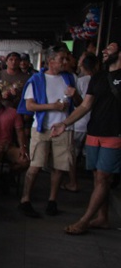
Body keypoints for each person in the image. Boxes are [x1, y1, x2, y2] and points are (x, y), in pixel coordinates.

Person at [52, 42, 121, 234]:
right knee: (99, 178)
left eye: (111, 48)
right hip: (94, 132)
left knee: (103, 177)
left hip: (115, 134)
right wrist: (64, 123)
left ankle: (84, 220)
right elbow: (85, 106)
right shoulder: (98, 77)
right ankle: (102, 217)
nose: (105, 51)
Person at [17, 47, 81, 217]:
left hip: (64, 128)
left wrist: (75, 96)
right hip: (41, 128)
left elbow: (81, 103)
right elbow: (29, 106)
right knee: (35, 165)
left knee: (59, 166)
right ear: (51, 61)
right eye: (62, 59)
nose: (66, 62)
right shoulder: (36, 79)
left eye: (66, 59)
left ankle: (52, 201)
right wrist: (52, 106)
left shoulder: (70, 78)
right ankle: (25, 199)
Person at [61, 53, 99, 192]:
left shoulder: (81, 81)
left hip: (79, 122)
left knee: (72, 154)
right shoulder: (99, 80)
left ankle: (72, 182)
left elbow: (80, 104)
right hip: (92, 123)